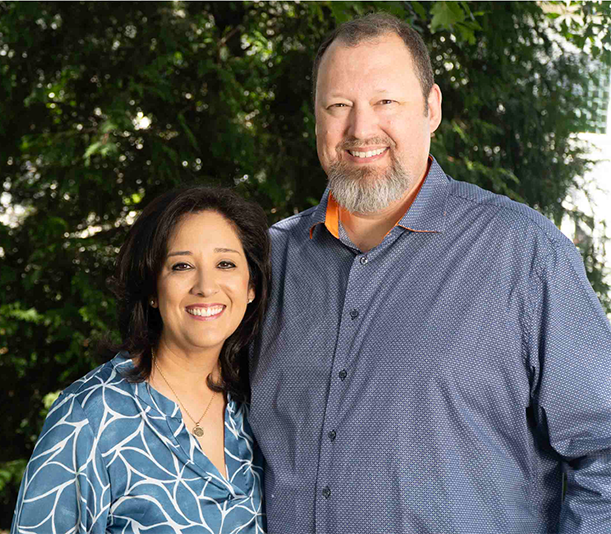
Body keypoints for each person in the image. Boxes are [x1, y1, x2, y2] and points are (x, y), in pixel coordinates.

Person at [249, 12, 611, 534]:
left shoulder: (523, 254)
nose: (360, 128)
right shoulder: (270, 261)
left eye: (385, 102)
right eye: (338, 106)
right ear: (316, 119)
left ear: (432, 108)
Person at [12, 187, 270, 533]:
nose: (206, 286)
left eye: (225, 263)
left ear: (250, 285)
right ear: (151, 289)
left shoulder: (259, 403)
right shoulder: (90, 415)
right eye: (182, 266)